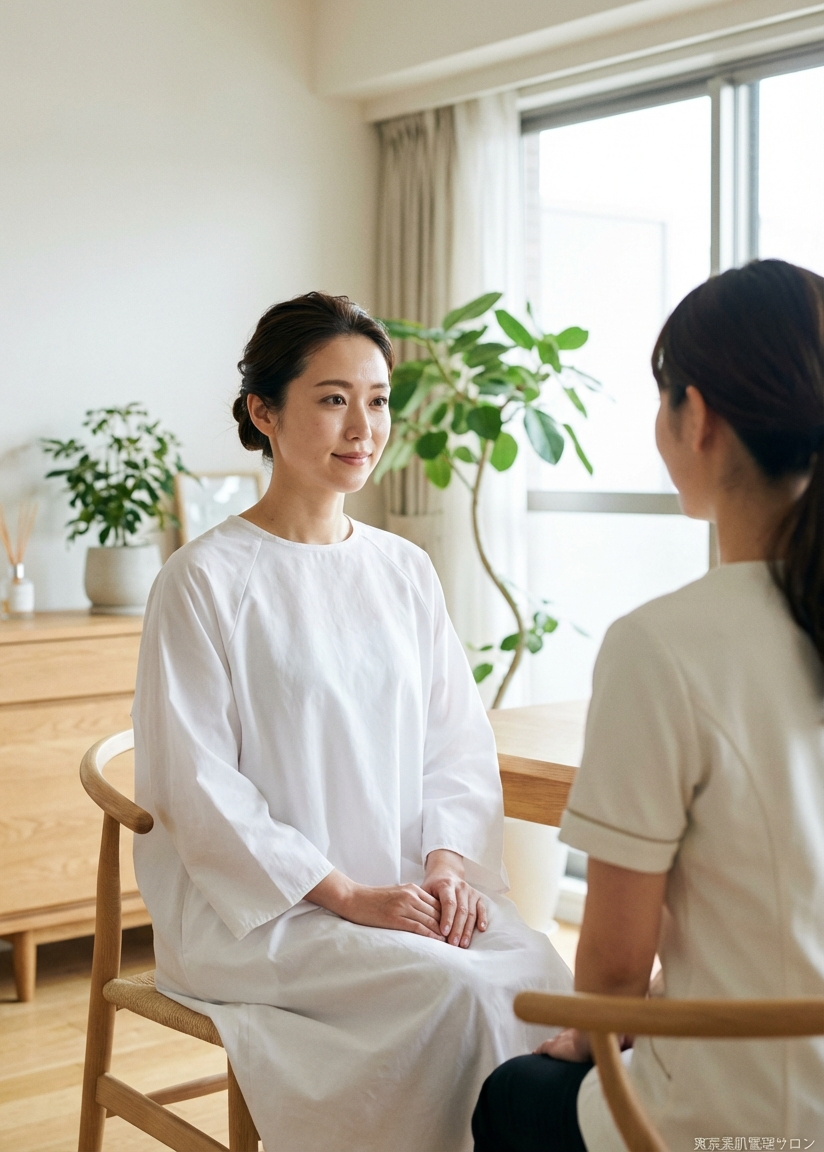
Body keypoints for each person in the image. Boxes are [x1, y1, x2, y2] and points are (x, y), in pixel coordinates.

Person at [132, 292, 572, 1152]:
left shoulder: (403, 569)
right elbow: (198, 787)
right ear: (264, 411)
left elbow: (454, 740)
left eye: (377, 400)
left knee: (540, 975)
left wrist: (448, 865)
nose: (363, 426)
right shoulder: (202, 580)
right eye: (334, 399)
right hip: (262, 912)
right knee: (457, 992)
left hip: (407, 884)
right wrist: (348, 895)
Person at [472, 258, 824, 1151]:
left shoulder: (663, 645)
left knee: (516, 1094)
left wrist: (596, 1029)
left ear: (695, 416)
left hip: (752, 1122)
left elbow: (615, 970)